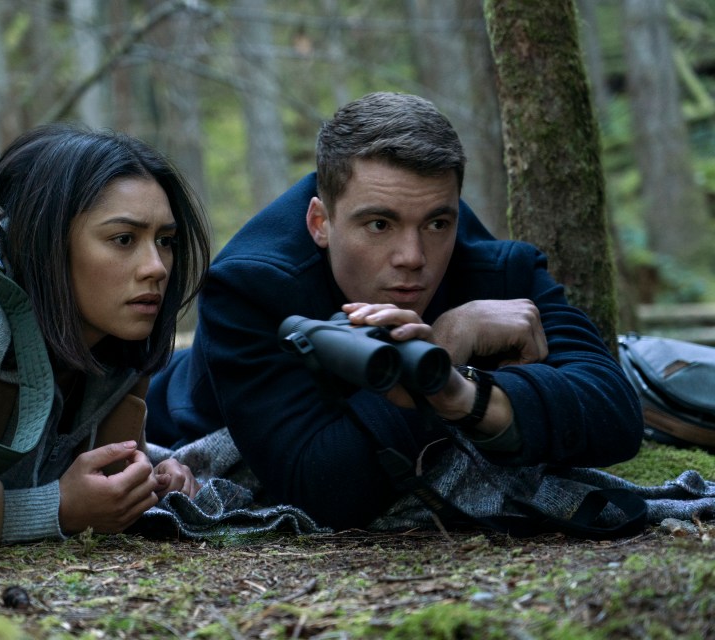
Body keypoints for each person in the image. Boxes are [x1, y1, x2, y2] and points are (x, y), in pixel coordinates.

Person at [146, 92, 643, 530]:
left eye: (437, 223)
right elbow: (321, 492)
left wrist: (465, 395)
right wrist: (443, 350)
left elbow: (615, 414)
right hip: (178, 406)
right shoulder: (251, 285)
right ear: (320, 222)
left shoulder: (488, 265)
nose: (413, 257)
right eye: (380, 225)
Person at [0, 124, 212, 551]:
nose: (157, 266)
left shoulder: (118, 346)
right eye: (124, 239)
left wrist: (155, 475)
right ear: (45, 243)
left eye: (165, 240)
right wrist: (56, 508)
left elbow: (100, 463)